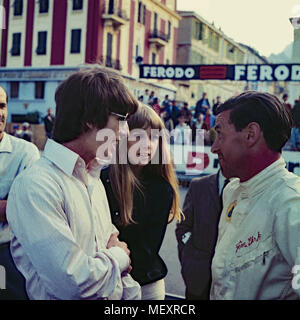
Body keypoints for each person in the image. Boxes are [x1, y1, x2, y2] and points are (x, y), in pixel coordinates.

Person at [6, 67, 141, 300]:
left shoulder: (93, 178)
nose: (125, 132)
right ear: (89, 119)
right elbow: (72, 284)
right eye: (121, 120)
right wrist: (118, 258)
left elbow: (116, 268)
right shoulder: (36, 186)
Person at [210, 91, 300, 300]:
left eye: (220, 135)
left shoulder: (290, 202)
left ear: (251, 134)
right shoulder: (232, 190)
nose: (214, 147)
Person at [101, 104, 183, 300]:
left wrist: (114, 251)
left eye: (154, 137)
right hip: (103, 282)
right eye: (138, 136)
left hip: (145, 286)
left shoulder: (161, 189)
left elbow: (147, 251)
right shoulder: (102, 181)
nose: (147, 144)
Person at [0, 86, 40, 299]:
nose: (0, 113)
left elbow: (23, 211)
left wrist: (12, 207)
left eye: (2, 106)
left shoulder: (25, 152)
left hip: (7, 253)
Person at [176, 169, 230, 300]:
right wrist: (190, 257)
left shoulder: (249, 189)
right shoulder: (199, 185)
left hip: (232, 283)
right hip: (198, 278)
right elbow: (183, 227)